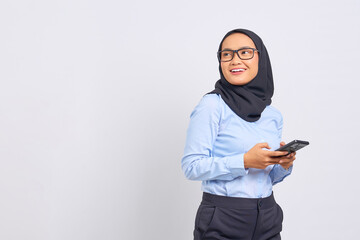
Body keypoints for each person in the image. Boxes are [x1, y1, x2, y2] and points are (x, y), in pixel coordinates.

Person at [181, 29, 296, 240]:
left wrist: (283, 165)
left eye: (245, 52)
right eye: (227, 54)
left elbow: (266, 178)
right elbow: (191, 167)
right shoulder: (212, 106)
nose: (234, 60)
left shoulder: (272, 114)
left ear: (261, 58)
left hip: (268, 214)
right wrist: (244, 161)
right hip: (224, 217)